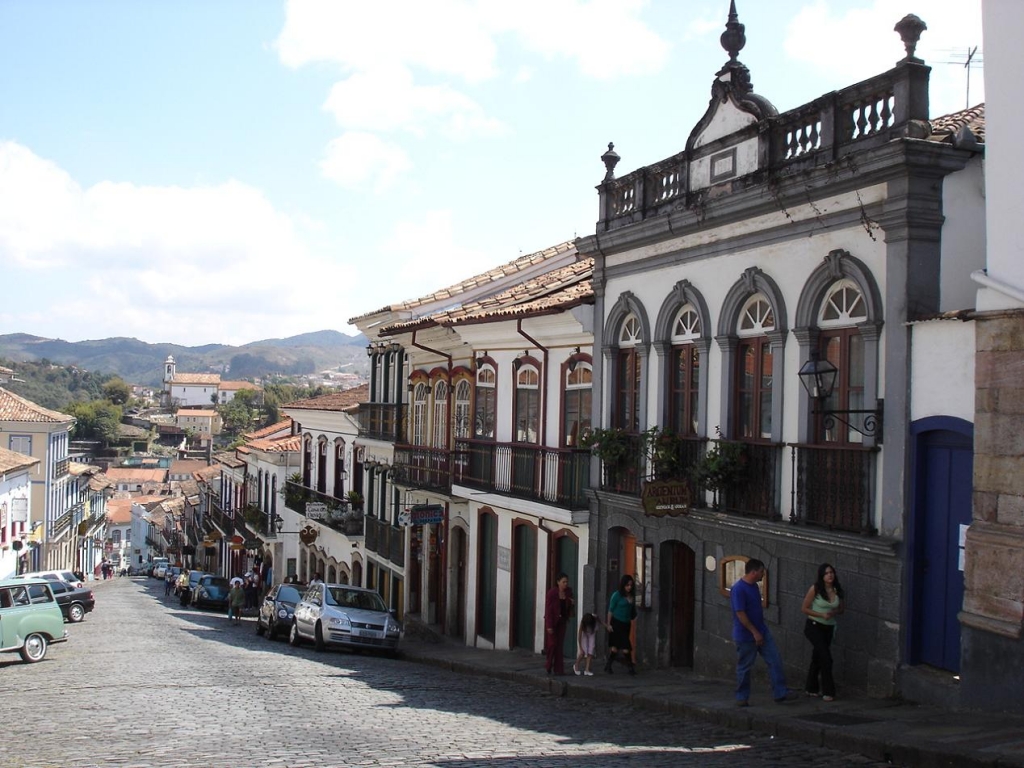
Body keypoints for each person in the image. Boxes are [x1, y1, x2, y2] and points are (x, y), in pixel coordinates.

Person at [731, 558, 796, 706]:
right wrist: (754, 632)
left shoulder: (753, 587)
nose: (763, 575)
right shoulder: (739, 589)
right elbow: (741, 614)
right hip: (746, 635)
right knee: (745, 666)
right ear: (753, 572)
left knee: (775, 660)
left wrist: (760, 630)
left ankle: (780, 692)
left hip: (761, 630)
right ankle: (742, 697)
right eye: (761, 572)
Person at [802, 562, 844, 701]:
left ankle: (810, 688)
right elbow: (805, 608)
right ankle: (828, 691)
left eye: (831, 572)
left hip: (829, 627)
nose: (829, 575)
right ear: (822, 576)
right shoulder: (816, 589)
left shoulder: (837, 589)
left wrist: (834, 612)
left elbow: (842, 609)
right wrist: (821, 615)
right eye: (826, 573)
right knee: (826, 657)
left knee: (818, 657)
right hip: (814, 625)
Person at [604, 574, 637, 675]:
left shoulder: (632, 596)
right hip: (617, 623)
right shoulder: (617, 595)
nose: (629, 587)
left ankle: (608, 665)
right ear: (623, 585)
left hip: (626, 624)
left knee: (615, 647)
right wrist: (608, 624)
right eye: (627, 585)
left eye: (631, 585)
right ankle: (630, 668)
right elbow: (610, 610)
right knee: (626, 647)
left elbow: (632, 611)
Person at [543, 572, 575, 675]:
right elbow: (548, 610)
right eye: (563, 582)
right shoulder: (552, 593)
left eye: (566, 582)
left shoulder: (569, 593)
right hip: (552, 621)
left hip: (562, 621)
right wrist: (549, 625)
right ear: (558, 582)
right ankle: (548, 664)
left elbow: (569, 609)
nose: (566, 584)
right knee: (552, 644)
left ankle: (559, 669)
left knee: (559, 645)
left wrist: (571, 603)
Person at [573, 612, 598, 676]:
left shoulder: (594, 618)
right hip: (584, 635)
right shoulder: (583, 623)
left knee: (590, 651)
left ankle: (587, 670)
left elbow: (600, 621)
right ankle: (576, 665)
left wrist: (606, 626)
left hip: (592, 633)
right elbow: (579, 635)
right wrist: (581, 647)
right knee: (583, 652)